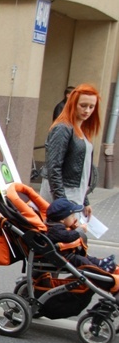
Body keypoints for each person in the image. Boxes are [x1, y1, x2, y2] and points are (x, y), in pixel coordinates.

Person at [40, 84, 101, 219]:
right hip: (62, 193)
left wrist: (85, 201)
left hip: (74, 194)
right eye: (83, 105)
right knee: (59, 234)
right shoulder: (63, 128)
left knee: (70, 235)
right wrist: (62, 203)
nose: (87, 110)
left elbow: (83, 169)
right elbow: (53, 166)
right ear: (73, 104)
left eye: (92, 107)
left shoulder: (83, 130)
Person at [45, 198, 118, 274]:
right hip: (64, 256)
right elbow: (68, 237)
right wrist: (80, 230)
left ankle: (100, 262)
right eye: (72, 216)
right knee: (82, 260)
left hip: (67, 253)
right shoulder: (55, 230)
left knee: (86, 257)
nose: (75, 218)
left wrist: (73, 227)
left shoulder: (56, 225)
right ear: (62, 220)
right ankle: (100, 270)